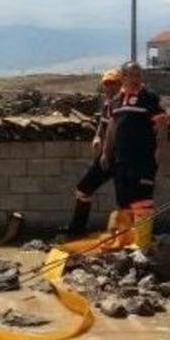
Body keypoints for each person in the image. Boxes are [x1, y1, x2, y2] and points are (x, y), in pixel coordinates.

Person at [100, 62, 169, 249]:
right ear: (123, 77)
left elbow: (162, 124)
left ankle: (143, 244)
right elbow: (111, 130)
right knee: (123, 203)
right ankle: (123, 241)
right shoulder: (115, 101)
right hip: (121, 159)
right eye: (132, 75)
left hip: (143, 159)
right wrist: (106, 153)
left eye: (139, 75)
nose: (136, 79)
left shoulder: (150, 98)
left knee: (142, 202)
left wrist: (161, 149)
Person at [66, 68, 123, 237]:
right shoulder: (108, 104)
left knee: (125, 198)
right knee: (83, 189)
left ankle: (126, 235)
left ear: (121, 85)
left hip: (124, 157)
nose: (109, 87)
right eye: (106, 84)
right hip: (108, 156)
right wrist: (97, 137)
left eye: (113, 84)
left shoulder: (126, 104)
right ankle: (77, 230)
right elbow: (103, 124)